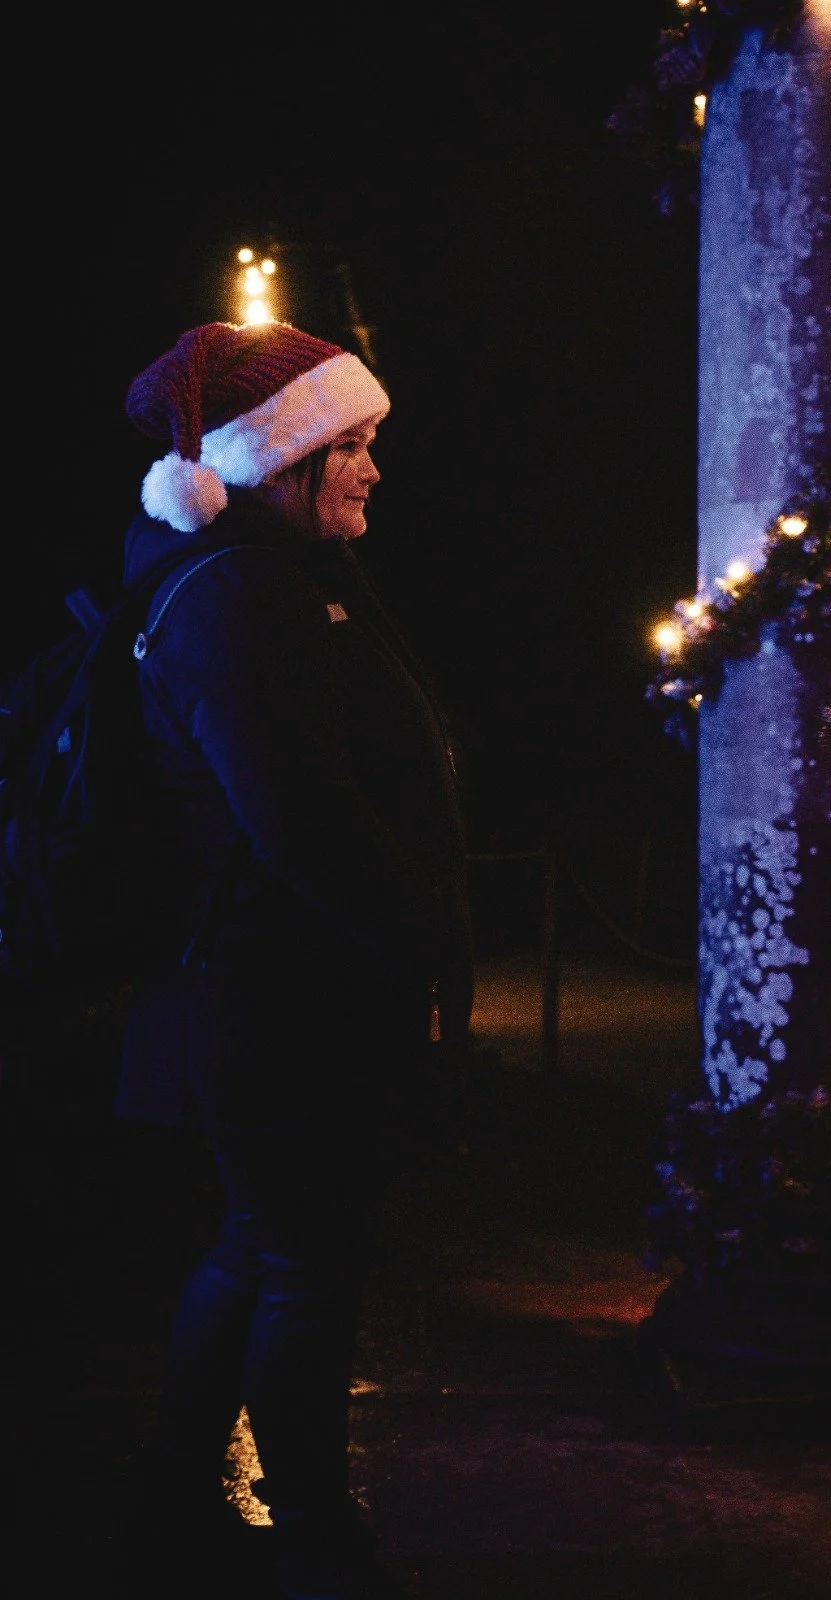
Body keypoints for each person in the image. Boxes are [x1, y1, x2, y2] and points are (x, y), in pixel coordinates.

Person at [114, 318, 475, 1600]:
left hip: (273, 992)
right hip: (281, 1002)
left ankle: (178, 1509)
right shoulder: (240, 595)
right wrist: (423, 927)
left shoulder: (268, 580)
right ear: (279, 459)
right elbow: (301, 820)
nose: (373, 468)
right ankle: (319, 1541)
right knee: (306, 1268)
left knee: (260, 1244)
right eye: (352, 444)